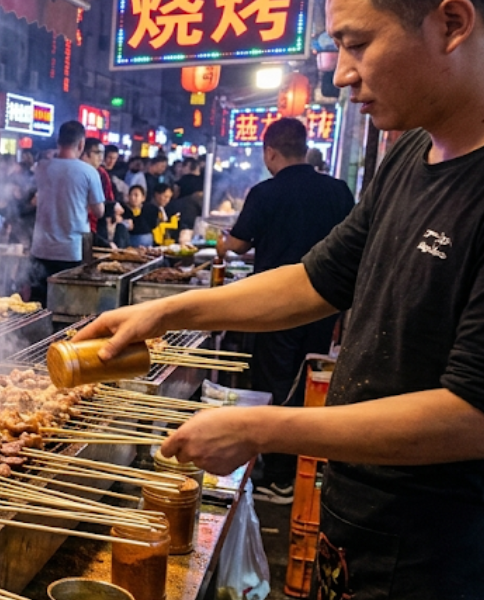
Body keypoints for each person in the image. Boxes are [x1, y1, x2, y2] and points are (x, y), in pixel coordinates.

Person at [75, 0, 484, 595]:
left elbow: (471, 417)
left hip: (441, 553)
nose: (340, 74)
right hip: (359, 527)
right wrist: (164, 310)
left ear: (451, 23)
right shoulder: (408, 159)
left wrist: (262, 430)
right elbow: (315, 278)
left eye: (357, 43)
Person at [219, 118, 355, 503]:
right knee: (306, 381)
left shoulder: (265, 192)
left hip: (274, 307)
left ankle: (278, 478)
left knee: (274, 383)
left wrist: (222, 245)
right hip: (322, 305)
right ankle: (295, 469)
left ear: (271, 152)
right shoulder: (339, 191)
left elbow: (240, 245)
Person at [29, 121, 105, 304]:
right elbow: (99, 211)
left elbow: (32, 196)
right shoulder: (89, 172)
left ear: (58, 141)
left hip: (40, 249)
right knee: (66, 305)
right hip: (71, 252)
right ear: (81, 144)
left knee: (38, 305)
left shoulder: (41, 168)